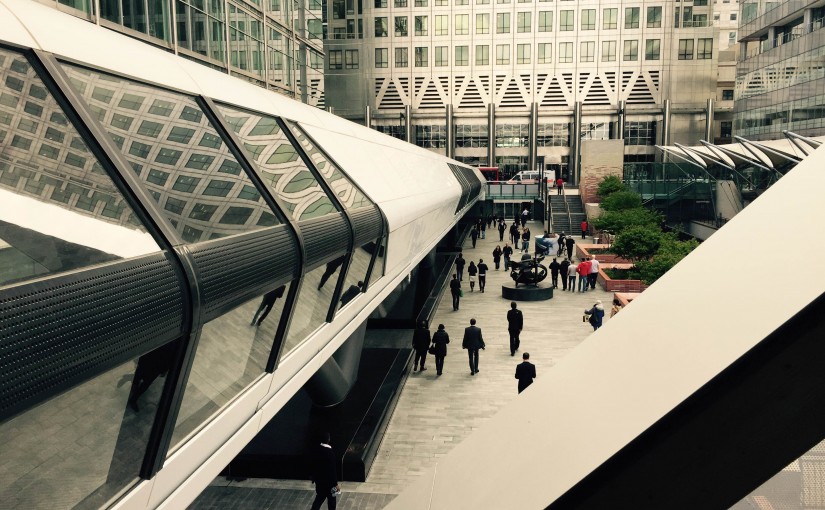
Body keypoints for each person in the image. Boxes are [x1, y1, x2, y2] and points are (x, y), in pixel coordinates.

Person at [310, 432, 339, 510]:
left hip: (319, 482)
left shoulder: (316, 450)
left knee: (319, 499)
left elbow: (313, 465)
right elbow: (332, 470)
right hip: (330, 483)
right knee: (332, 501)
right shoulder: (330, 453)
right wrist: (335, 484)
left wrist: (314, 478)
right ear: (328, 439)